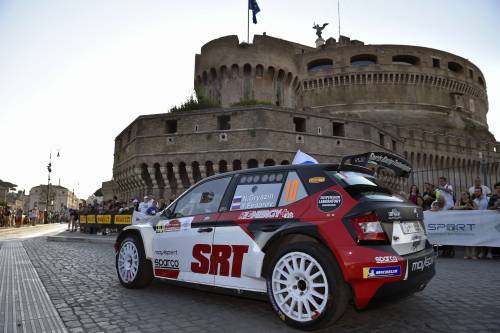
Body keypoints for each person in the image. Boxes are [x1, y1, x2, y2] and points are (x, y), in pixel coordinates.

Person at [453, 191, 478, 259]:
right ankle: (467, 253)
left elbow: (477, 210)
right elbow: (454, 208)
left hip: (472, 221)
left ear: (468, 195)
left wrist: (471, 207)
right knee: (466, 237)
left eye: (464, 194)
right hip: (463, 221)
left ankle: (473, 253)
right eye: (462, 194)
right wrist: (464, 206)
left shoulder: (472, 202)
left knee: (473, 237)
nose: (463, 196)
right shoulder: (459, 201)